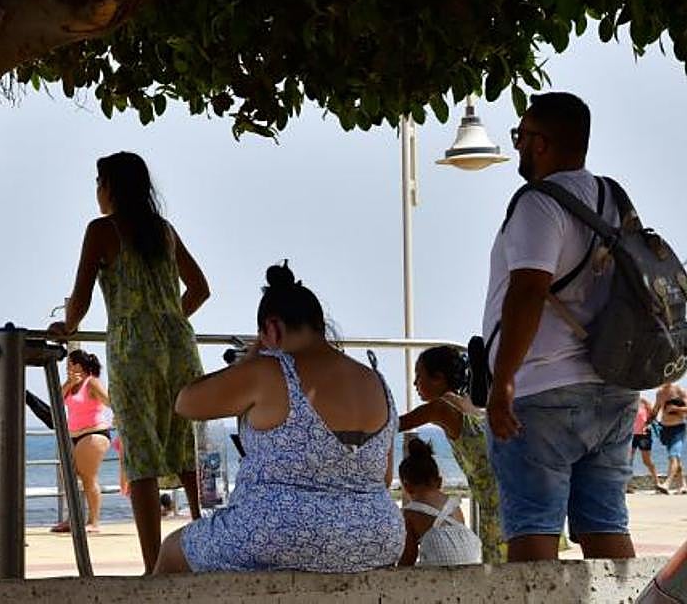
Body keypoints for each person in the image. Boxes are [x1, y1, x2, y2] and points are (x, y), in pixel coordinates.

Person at [153, 262, 404, 574]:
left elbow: (186, 402)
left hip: (277, 533)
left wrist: (251, 356)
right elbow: (383, 477)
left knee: (173, 553)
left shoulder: (270, 371)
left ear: (271, 329)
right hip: (377, 536)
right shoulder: (376, 381)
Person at [482, 92, 637, 562]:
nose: (520, 147)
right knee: (606, 524)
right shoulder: (614, 197)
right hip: (612, 385)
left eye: (521, 136)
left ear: (542, 143)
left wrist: (503, 379)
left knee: (533, 530)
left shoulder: (539, 204)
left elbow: (529, 289)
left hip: (543, 389)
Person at [50, 151, 209, 573]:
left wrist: (66, 326)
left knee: (140, 453)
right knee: (182, 443)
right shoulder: (163, 230)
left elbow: (80, 297)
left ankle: (153, 564)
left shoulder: (102, 230)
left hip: (132, 347)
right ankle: (202, 541)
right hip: (178, 343)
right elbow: (200, 288)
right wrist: (169, 319)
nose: (97, 191)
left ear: (111, 187)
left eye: (98, 182)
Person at [399, 346, 503, 563]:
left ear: (438, 378)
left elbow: (396, 424)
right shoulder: (470, 405)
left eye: (419, 377)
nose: (414, 384)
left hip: (495, 504)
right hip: (504, 495)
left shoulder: (443, 406)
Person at [50, 349, 113, 534]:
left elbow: (109, 401)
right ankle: (73, 519)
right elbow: (57, 402)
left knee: (88, 477)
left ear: (79, 365)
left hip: (94, 433)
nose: (68, 367)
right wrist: (68, 384)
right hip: (73, 434)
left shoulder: (91, 382)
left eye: (70, 363)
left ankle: (93, 522)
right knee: (68, 476)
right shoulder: (71, 385)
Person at [397, 438, 483, 567]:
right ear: (440, 481)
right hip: (472, 570)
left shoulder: (409, 514)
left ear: (406, 486)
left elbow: (408, 558)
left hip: (438, 577)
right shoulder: (455, 506)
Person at [652, 379, 687, 494]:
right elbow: (656, 409)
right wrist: (647, 422)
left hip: (678, 428)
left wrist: (676, 409)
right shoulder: (659, 393)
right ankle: (683, 485)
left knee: (673, 455)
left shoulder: (679, 390)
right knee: (675, 458)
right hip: (665, 429)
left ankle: (667, 484)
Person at [630, 395, 663, 493]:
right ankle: (627, 485)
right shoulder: (628, 401)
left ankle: (657, 483)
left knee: (646, 461)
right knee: (628, 460)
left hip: (644, 434)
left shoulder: (644, 402)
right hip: (630, 434)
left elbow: (653, 416)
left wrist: (646, 425)